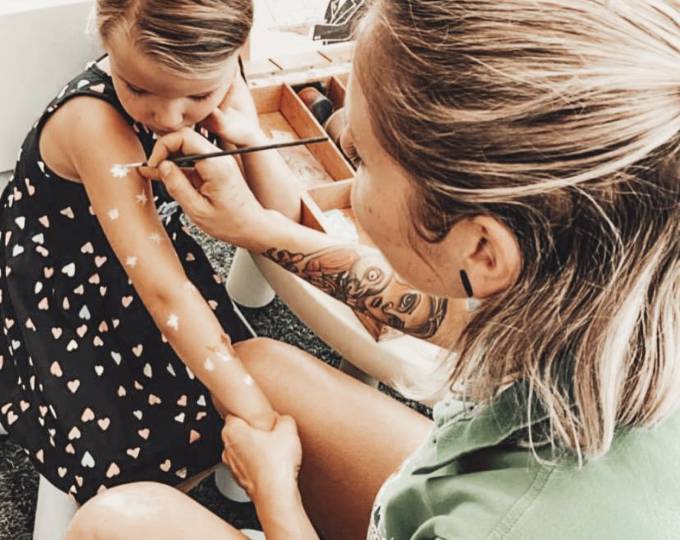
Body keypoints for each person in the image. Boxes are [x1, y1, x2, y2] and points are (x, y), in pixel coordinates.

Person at [66, 0, 679, 538]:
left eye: (360, 156)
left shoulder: (503, 524)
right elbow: (454, 316)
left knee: (116, 522)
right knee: (262, 367)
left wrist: (275, 494)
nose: (346, 159)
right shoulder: (608, 277)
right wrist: (255, 227)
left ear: (483, 250)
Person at [0, 0, 303, 503]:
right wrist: (258, 419)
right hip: (61, 284)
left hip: (151, 255)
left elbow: (279, 216)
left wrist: (245, 133)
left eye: (197, 94)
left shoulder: (223, 72)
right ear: (104, 40)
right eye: (138, 88)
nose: (168, 116)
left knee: (225, 387)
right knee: (128, 465)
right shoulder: (94, 123)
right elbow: (164, 292)